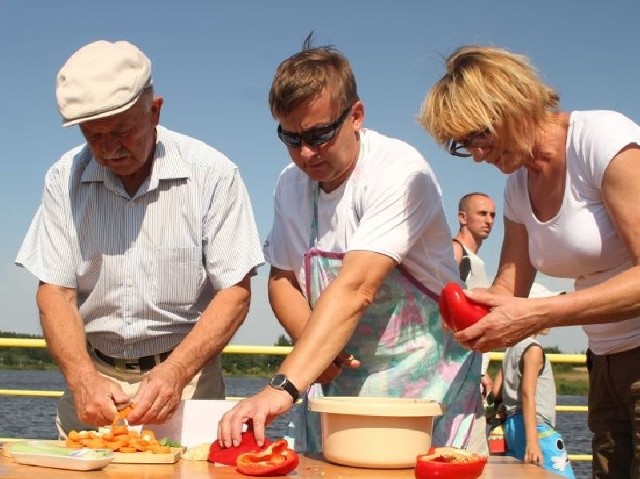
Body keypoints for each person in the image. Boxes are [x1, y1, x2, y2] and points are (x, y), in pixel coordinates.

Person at [218, 35, 486, 455]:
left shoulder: (399, 171)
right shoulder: (290, 184)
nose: (305, 154)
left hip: (426, 387)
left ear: (356, 115)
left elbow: (357, 288)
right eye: (290, 138)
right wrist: (316, 352)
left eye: (319, 134)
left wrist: (283, 385)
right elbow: (283, 278)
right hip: (331, 385)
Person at [15, 40, 264, 435]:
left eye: (121, 131)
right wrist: (81, 377)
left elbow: (235, 292)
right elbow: (55, 292)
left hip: (188, 380)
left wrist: (176, 371)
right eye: (93, 136)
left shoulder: (213, 173)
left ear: (155, 111)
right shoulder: (63, 178)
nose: (109, 149)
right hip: (93, 380)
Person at [419, 44, 640, 478]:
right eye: (464, 145)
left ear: (513, 101)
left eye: (478, 135)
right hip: (605, 362)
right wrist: (471, 312)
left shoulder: (602, 140)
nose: (477, 154)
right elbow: (509, 287)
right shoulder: (518, 188)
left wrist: (538, 313)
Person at [491, 285, 575, 478]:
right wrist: (532, 441)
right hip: (534, 428)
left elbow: (496, 391)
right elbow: (528, 393)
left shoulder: (511, 349)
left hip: (511, 427)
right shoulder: (533, 349)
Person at [452, 192, 496, 399]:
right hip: (455, 368)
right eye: (482, 213)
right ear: (463, 217)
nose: (489, 220)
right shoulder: (456, 251)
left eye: (492, 215)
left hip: (471, 367)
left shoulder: (478, 261)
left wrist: (481, 371)